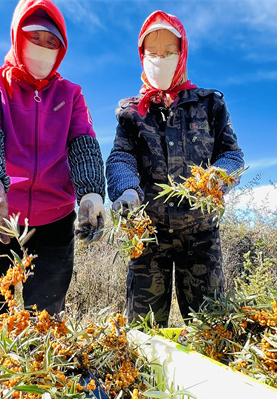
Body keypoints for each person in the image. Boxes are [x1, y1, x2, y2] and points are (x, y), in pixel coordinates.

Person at [0, 0, 106, 316]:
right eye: (35, 37)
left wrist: (92, 193)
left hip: (54, 222)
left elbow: (83, 143)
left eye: (52, 42)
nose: (43, 48)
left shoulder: (70, 94)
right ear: (17, 36)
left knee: (45, 320)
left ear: (61, 49)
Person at [105, 10, 245, 327]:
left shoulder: (210, 105)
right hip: (148, 237)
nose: (160, 59)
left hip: (200, 237)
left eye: (169, 52)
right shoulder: (131, 113)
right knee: (145, 333)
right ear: (142, 57)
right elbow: (120, 156)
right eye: (152, 53)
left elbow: (232, 155)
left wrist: (216, 178)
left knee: (211, 330)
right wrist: (125, 190)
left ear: (182, 54)